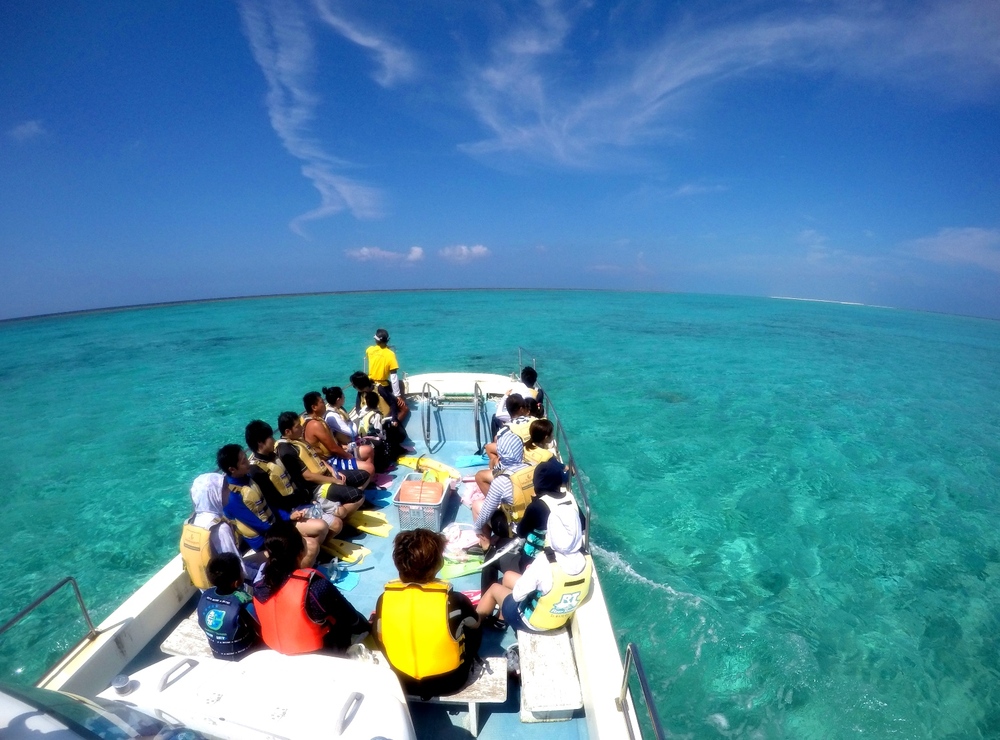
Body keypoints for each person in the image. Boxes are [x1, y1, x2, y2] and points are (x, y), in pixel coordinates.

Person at [375, 529, 482, 698]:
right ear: (438, 563)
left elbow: (380, 638)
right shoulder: (455, 601)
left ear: (398, 562)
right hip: (450, 680)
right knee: (473, 625)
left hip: (402, 681)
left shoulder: (384, 599)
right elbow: (475, 624)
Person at [253, 521, 370, 654]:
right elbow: (349, 616)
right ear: (302, 551)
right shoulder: (315, 587)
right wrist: (365, 626)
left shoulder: (259, 585)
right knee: (354, 621)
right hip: (317, 652)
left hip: (276, 649)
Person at [476, 504, 592, 633]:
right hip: (559, 620)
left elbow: (518, 595)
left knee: (494, 589)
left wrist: (531, 575)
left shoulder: (544, 562)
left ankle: (474, 624)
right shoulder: (586, 559)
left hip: (530, 622)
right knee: (508, 576)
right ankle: (501, 619)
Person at [217, 444, 325, 567]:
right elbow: (258, 525)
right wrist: (288, 530)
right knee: (311, 545)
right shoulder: (232, 497)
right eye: (243, 461)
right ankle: (298, 569)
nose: (248, 462)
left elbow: (267, 505)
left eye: (246, 457)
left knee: (320, 528)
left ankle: (303, 563)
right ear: (232, 469)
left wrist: (288, 516)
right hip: (264, 541)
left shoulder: (247, 479)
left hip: (274, 527)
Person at [245, 419, 348, 537]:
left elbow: (294, 479)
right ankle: (320, 546)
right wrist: (289, 516)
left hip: (303, 499)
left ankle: (325, 535)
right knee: (336, 524)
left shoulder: (276, 456)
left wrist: (307, 496)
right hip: (292, 511)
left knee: (342, 512)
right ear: (260, 443)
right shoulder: (257, 471)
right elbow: (272, 501)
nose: (274, 440)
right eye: (270, 437)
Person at [273, 412, 368, 524]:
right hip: (316, 487)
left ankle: (345, 504)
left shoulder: (298, 440)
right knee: (358, 496)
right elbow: (308, 477)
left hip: (326, 475)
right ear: (288, 432)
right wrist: (335, 481)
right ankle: (344, 521)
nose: (301, 427)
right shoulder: (286, 451)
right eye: (297, 426)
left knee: (364, 475)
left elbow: (317, 458)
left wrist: (333, 471)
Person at [180, 472, 258, 589]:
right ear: (215, 494)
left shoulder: (192, 521)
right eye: (225, 488)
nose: (229, 491)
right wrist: (259, 575)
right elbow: (239, 569)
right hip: (231, 589)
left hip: (207, 588)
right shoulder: (220, 529)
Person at [197, 552, 259, 660]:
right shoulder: (243, 602)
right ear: (236, 582)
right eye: (241, 570)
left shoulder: (205, 595)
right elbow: (260, 625)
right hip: (245, 654)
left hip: (218, 654)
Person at [302, 391, 375, 477]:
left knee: (368, 450)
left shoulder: (318, 420)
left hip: (336, 453)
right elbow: (333, 448)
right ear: (314, 407)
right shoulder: (315, 424)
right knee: (370, 468)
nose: (324, 404)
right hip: (331, 461)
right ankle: (361, 483)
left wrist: (345, 447)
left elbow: (333, 444)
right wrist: (349, 456)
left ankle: (367, 479)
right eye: (322, 402)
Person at [321, 386, 375, 470]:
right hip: (344, 447)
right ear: (338, 399)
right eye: (343, 396)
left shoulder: (338, 410)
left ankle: (369, 471)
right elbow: (352, 431)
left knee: (372, 444)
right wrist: (350, 421)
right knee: (369, 449)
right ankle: (368, 472)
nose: (344, 397)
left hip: (349, 442)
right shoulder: (332, 416)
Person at [366, 328, 408, 420]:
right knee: (403, 408)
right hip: (381, 386)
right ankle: (394, 422)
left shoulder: (369, 350)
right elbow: (393, 376)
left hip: (370, 383)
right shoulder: (390, 354)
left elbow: (375, 353)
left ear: (376, 340)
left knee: (399, 384)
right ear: (387, 340)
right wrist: (398, 396)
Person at [491, 367, 544, 435]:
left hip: (518, 415)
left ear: (522, 378)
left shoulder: (518, 390)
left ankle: (496, 439)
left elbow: (499, 415)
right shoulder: (539, 392)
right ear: (535, 380)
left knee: (495, 417)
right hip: (531, 414)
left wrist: (505, 397)